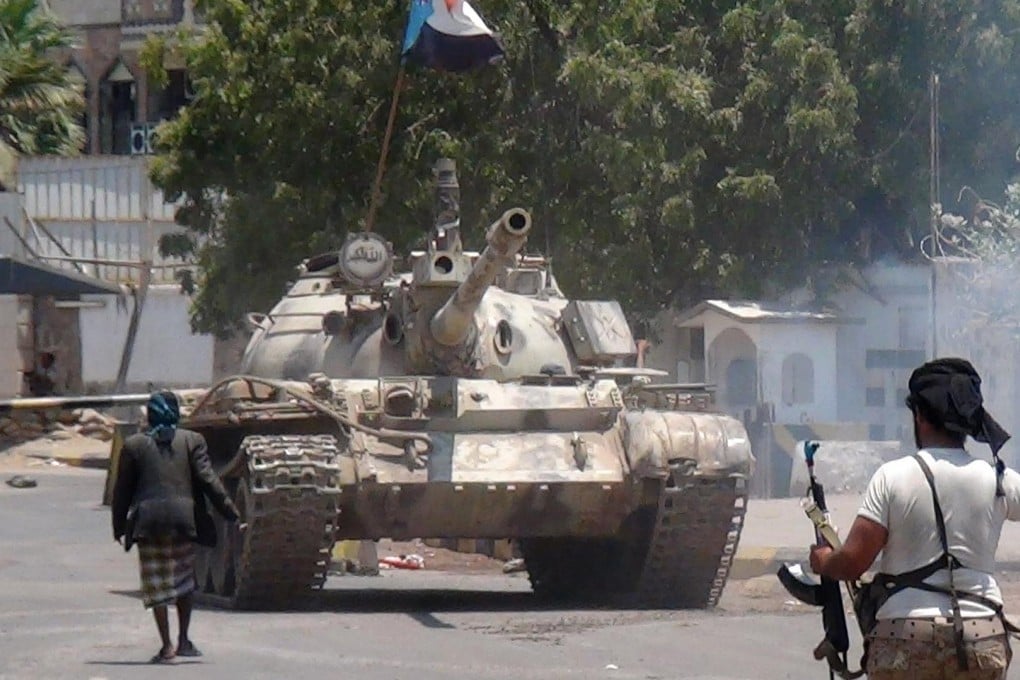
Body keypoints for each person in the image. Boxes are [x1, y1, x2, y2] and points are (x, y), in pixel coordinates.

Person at [809, 357, 1019, 679]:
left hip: (905, 641)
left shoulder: (893, 477)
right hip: (981, 641)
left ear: (919, 415)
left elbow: (852, 563)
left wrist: (823, 560)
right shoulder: (999, 479)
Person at [111, 390, 240, 664]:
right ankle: (184, 639)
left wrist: (119, 526)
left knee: (157, 584)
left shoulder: (134, 445)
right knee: (183, 581)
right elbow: (208, 480)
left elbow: (122, 491)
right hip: (184, 521)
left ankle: (166, 646)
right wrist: (230, 511)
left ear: (150, 414)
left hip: (149, 524)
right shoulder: (193, 440)